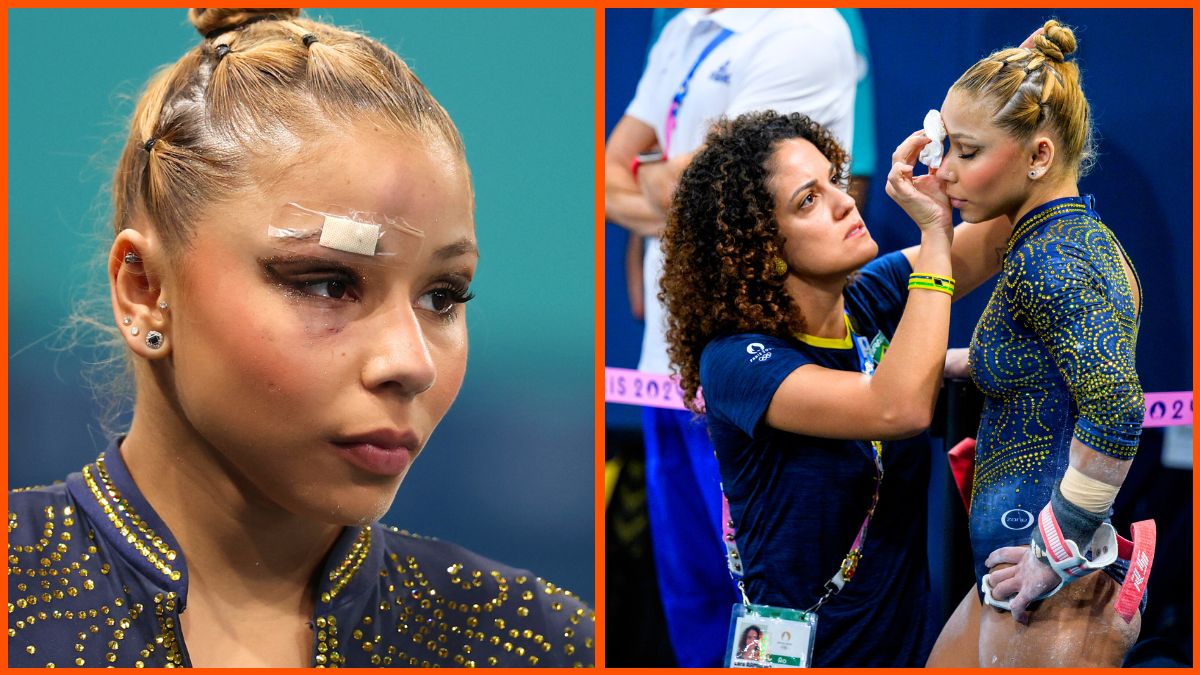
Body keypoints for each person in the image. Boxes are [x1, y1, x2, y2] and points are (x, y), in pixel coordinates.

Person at [7, 8, 593, 668]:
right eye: (326, 282)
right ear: (144, 290)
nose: (410, 361)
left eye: (443, 296)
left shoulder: (540, 643)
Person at [658, 109, 1011, 666]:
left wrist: (998, 126)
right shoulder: (736, 360)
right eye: (808, 200)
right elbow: (897, 409)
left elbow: (1007, 230)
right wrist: (936, 235)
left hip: (906, 652)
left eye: (835, 183)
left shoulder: (865, 300)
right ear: (760, 247)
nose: (845, 202)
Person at [604, 9, 857, 665]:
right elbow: (609, 177)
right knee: (696, 616)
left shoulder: (800, 31)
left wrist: (658, 179)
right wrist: (669, 182)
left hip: (757, 373)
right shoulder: (685, 26)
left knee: (772, 613)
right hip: (669, 369)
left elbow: (712, 187)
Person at [921, 21, 1147, 668]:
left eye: (966, 151)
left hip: (1049, 598)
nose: (946, 171)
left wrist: (1055, 552)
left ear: (1039, 156)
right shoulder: (1062, 241)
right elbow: (1044, 362)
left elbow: (1116, 407)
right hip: (1015, 585)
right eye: (948, 147)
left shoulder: (1051, 260)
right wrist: (940, 364)